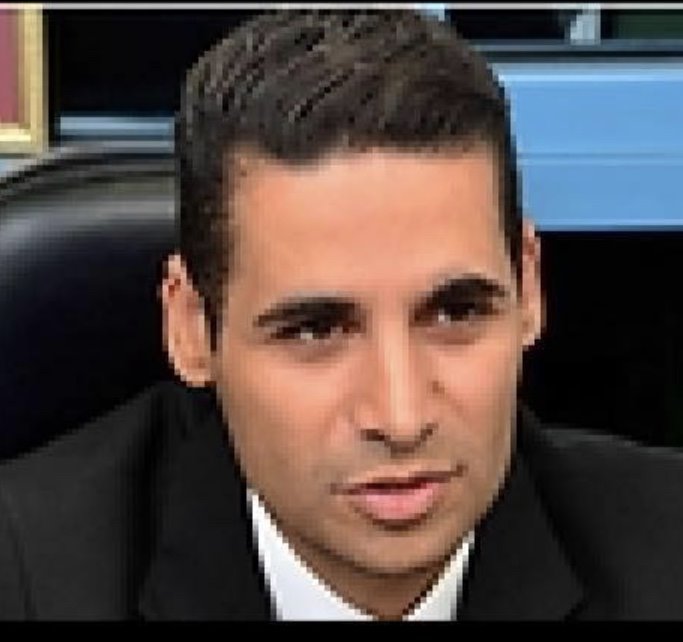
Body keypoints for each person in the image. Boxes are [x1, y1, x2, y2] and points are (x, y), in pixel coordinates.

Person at [1, 9, 683, 621]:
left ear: (527, 287)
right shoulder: (26, 578)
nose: (401, 417)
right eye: (316, 330)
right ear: (190, 327)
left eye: (454, 313)